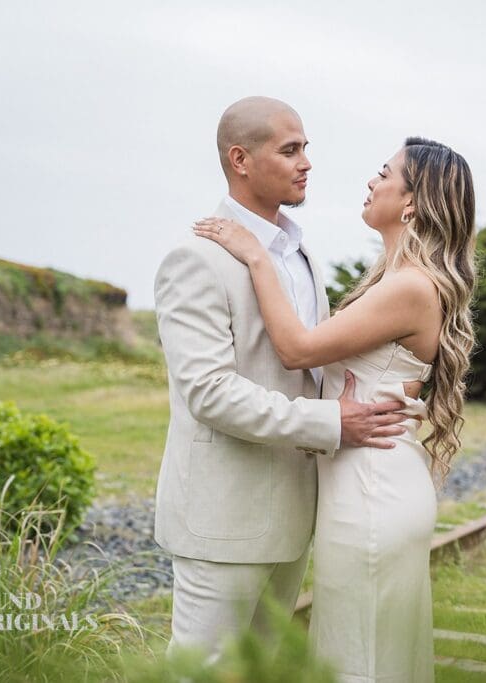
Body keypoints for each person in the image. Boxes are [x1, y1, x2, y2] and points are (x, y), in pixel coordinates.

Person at [193, 135, 477, 682]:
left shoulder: (411, 287)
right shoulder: (396, 281)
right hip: (368, 480)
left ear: (413, 202)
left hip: (372, 488)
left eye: (384, 172)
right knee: (360, 647)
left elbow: (298, 348)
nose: (372, 181)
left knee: (359, 657)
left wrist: (255, 254)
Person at [152, 96, 415, 660]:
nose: (306, 163)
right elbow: (210, 393)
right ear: (241, 159)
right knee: (201, 672)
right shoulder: (194, 258)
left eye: (306, 149)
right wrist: (331, 421)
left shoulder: (300, 256)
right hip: (224, 516)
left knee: (263, 670)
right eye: (290, 150)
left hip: (296, 514)